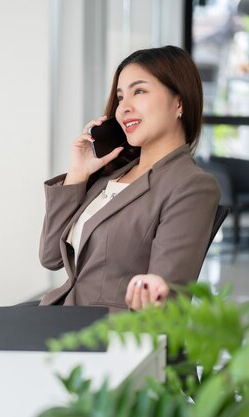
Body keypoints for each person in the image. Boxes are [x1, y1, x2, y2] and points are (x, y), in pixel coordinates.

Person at [38, 45, 220, 312]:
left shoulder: (191, 186)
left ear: (179, 102)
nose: (124, 107)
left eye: (140, 91)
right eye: (121, 97)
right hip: (61, 316)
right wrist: (78, 174)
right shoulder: (110, 176)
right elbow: (51, 256)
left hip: (107, 336)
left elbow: (163, 301)